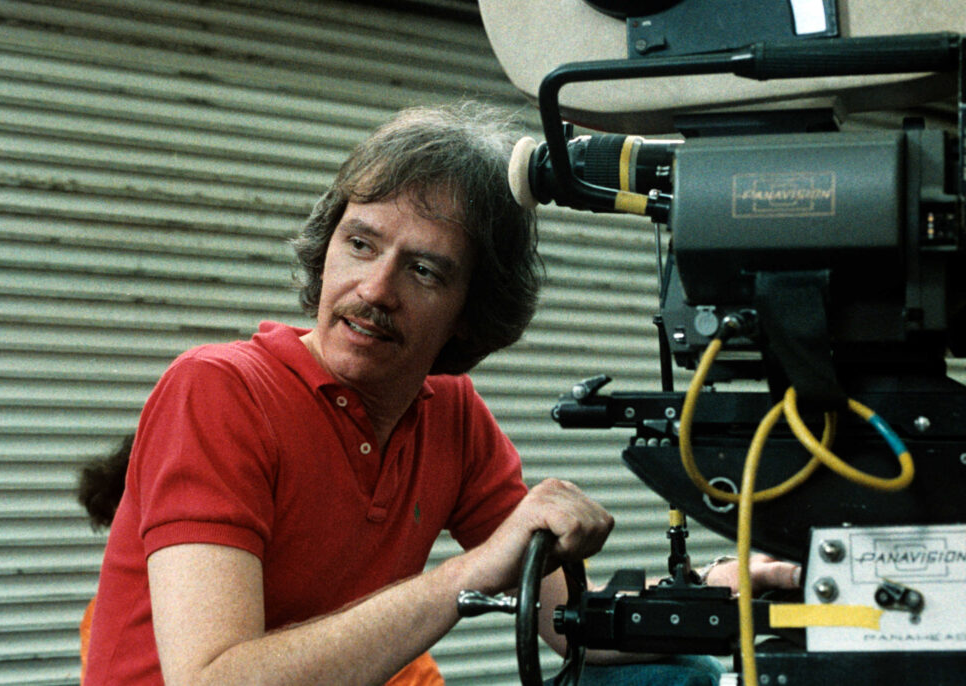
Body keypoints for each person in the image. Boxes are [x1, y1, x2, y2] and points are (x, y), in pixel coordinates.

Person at [82, 101, 799, 686]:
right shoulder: (220, 389)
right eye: (360, 244)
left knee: (673, 676)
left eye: (424, 270)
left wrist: (714, 592)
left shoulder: (451, 416)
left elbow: (568, 625)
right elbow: (213, 680)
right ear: (326, 249)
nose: (375, 289)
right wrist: (467, 574)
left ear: (470, 311)